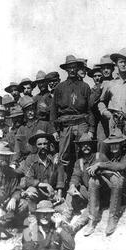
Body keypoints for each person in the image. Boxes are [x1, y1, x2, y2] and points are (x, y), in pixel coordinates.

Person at [83, 129, 126, 236]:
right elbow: (94, 170)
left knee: (118, 178)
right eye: (111, 144)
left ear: (122, 143)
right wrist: (106, 169)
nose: (113, 147)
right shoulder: (108, 155)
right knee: (93, 180)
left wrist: (101, 165)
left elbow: (121, 166)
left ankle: (112, 217)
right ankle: (92, 220)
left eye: (116, 144)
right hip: (116, 193)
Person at [50, 55, 95, 186]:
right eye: (69, 67)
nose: (72, 70)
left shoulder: (85, 86)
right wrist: (54, 130)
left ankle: (85, 186)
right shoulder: (60, 87)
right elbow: (53, 111)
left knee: (84, 154)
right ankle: (61, 189)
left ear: (77, 68)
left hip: (82, 124)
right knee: (63, 157)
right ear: (66, 70)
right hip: (65, 126)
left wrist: (91, 129)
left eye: (74, 67)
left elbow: (90, 109)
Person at [63, 133, 108, 234]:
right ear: (80, 147)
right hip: (88, 192)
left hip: (102, 193)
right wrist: (72, 186)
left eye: (88, 144)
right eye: (83, 145)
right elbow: (75, 176)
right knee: (71, 190)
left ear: (92, 145)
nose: (86, 147)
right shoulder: (79, 162)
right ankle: (65, 218)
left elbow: (110, 171)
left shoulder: (100, 157)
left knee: (92, 200)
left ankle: (76, 226)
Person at [22, 130, 64, 213]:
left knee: (62, 209)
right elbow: (28, 179)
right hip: (38, 191)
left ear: (48, 144)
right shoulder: (30, 159)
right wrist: (45, 185)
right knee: (31, 191)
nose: (43, 146)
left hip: (51, 193)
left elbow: (60, 179)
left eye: (45, 144)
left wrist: (59, 193)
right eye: (39, 144)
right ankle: (32, 215)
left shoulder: (54, 159)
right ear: (36, 146)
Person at [98, 48, 126, 137]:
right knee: (116, 148)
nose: (123, 64)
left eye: (125, 62)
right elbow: (101, 102)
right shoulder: (110, 84)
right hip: (114, 122)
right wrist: (104, 111)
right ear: (116, 64)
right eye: (120, 62)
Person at [12, 97, 55, 167]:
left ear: (35, 110)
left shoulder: (45, 124)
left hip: (45, 157)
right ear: (24, 112)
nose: (30, 112)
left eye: (32, 109)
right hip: (28, 160)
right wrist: (14, 161)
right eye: (27, 110)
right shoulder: (22, 129)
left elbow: (53, 144)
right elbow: (17, 149)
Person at [0, 142, 28, 239]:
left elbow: (17, 189)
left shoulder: (12, 173)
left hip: (5, 204)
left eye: (7, 156)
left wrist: (14, 198)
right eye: (2, 156)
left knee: (23, 204)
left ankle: (5, 224)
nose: (5, 159)